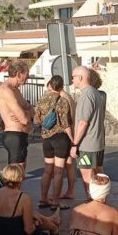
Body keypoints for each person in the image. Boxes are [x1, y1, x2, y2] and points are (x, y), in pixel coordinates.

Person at [0, 164, 61, 235]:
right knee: (33, 218)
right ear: (21, 178)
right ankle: (54, 228)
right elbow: (29, 230)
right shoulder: (23, 197)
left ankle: (51, 219)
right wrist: (35, 224)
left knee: (31, 213)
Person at [34, 75, 73, 210]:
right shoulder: (63, 101)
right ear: (61, 87)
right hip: (60, 138)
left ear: (50, 85)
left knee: (47, 170)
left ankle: (43, 199)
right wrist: (73, 140)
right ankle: (56, 202)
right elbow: (65, 123)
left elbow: (37, 120)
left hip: (46, 138)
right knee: (58, 172)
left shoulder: (41, 100)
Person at [70, 66, 106, 199]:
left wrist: (75, 144)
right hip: (97, 143)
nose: (72, 80)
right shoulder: (96, 93)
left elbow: (83, 123)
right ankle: (101, 201)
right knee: (99, 176)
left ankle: (92, 203)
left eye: (73, 77)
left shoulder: (86, 95)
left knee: (87, 176)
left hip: (87, 145)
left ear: (80, 78)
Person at [0, 60, 34, 171]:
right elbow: (24, 119)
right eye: (26, 74)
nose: (28, 77)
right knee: (15, 172)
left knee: (20, 171)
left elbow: (32, 110)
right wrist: (27, 112)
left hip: (21, 135)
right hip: (14, 135)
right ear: (19, 74)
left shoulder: (15, 90)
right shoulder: (7, 91)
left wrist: (27, 111)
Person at [59, 87, 77, 200]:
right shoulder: (69, 97)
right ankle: (70, 191)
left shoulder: (62, 98)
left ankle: (56, 194)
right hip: (71, 132)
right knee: (70, 165)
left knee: (59, 166)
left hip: (65, 134)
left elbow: (65, 120)